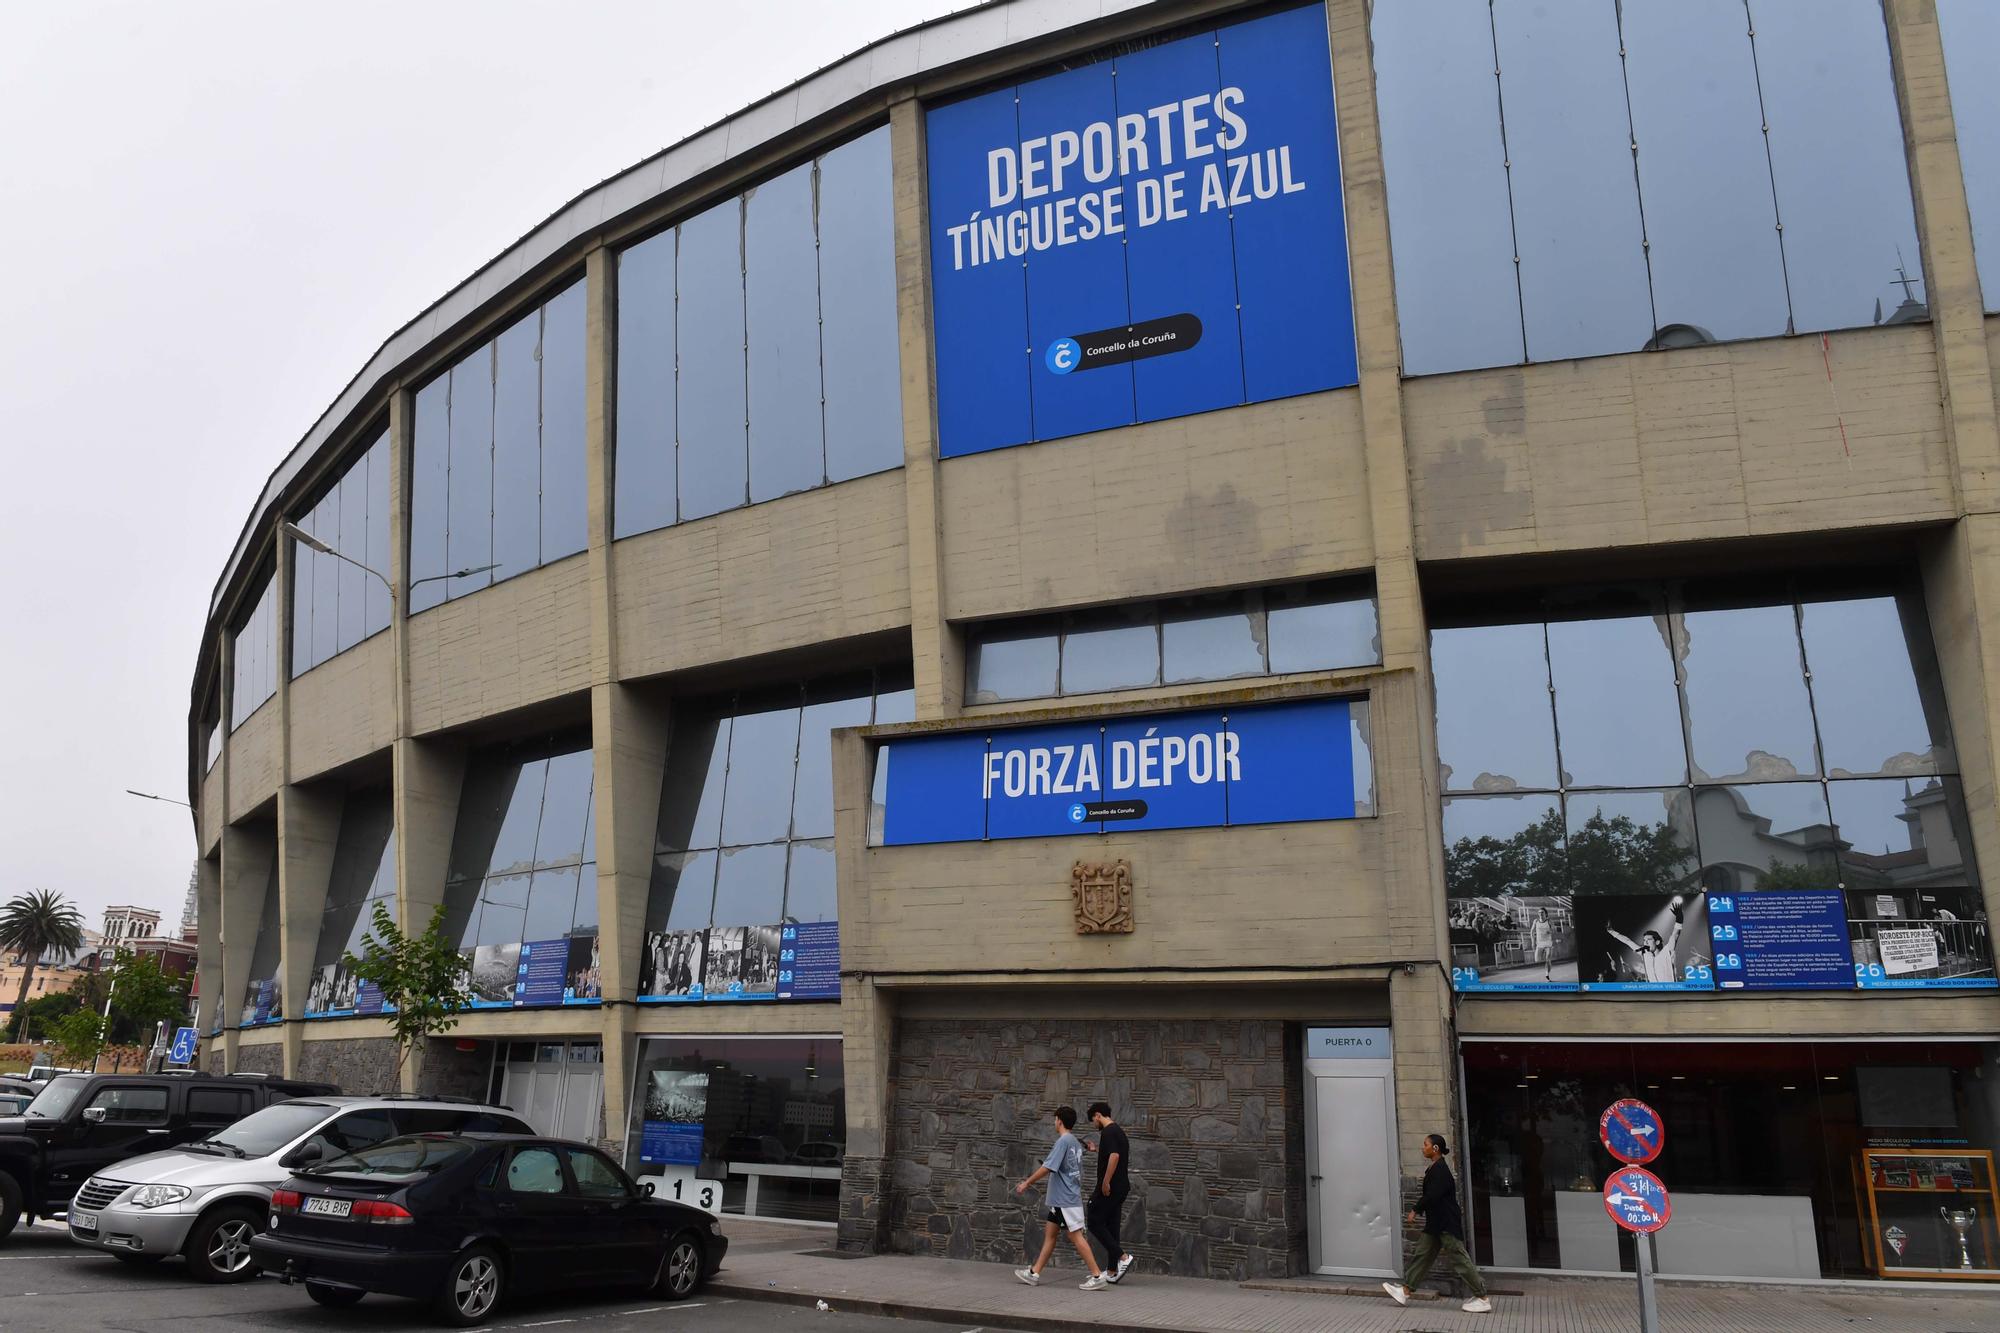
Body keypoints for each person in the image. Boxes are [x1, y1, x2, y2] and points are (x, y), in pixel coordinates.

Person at [1383, 1133, 1492, 1315]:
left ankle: (1482, 1297)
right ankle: (1405, 1291)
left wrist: (1415, 1209)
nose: (1422, 1147)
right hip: (1436, 1223)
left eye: (1425, 1144)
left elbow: (1432, 1195)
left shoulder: (1440, 1170)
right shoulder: (1435, 1168)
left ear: (1435, 1149)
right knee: (1423, 1255)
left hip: (1445, 1223)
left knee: (1459, 1258)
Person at [1013, 1105, 1109, 1291]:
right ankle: (1034, 1273)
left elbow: (1048, 1167)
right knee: (1050, 1235)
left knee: (1076, 1236)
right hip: (1062, 1199)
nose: (1054, 1123)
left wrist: (1027, 1183)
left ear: (1059, 1121)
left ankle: (1097, 1275)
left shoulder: (1063, 1142)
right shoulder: (1073, 1142)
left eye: (1055, 1119)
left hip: (1065, 1199)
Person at [1083, 1101, 1135, 1283]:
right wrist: (1095, 1149)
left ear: (1098, 1115)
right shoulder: (1118, 1131)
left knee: (1094, 1220)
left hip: (1111, 1187)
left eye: (1093, 1120)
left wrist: (1105, 1182)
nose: (1094, 1124)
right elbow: (1111, 1152)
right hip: (1121, 1187)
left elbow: (1114, 1156)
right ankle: (1112, 1271)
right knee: (1112, 1226)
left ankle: (1123, 1257)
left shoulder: (1108, 1131)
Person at [1605, 898, 1684, 984]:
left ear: (1657, 942)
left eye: (1648, 940)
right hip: (1653, 992)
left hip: (1669, 992)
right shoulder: (1644, 954)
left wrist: (1679, 919)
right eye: (1644, 940)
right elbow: (1628, 941)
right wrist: (1611, 931)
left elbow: (1675, 935)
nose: (1645, 942)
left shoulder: (1666, 952)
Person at [1530, 908, 1555, 981]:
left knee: (1548, 960)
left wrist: (1550, 931)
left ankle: (1547, 973)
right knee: (1537, 960)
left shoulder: (1549, 921)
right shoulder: (1536, 921)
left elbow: (1554, 929)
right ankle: (1547, 964)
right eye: (1539, 912)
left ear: (1546, 914)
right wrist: (1532, 941)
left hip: (1548, 943)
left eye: (1542, 912)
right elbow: (1531, 932)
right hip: (1539, 943)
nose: (1540, 914)